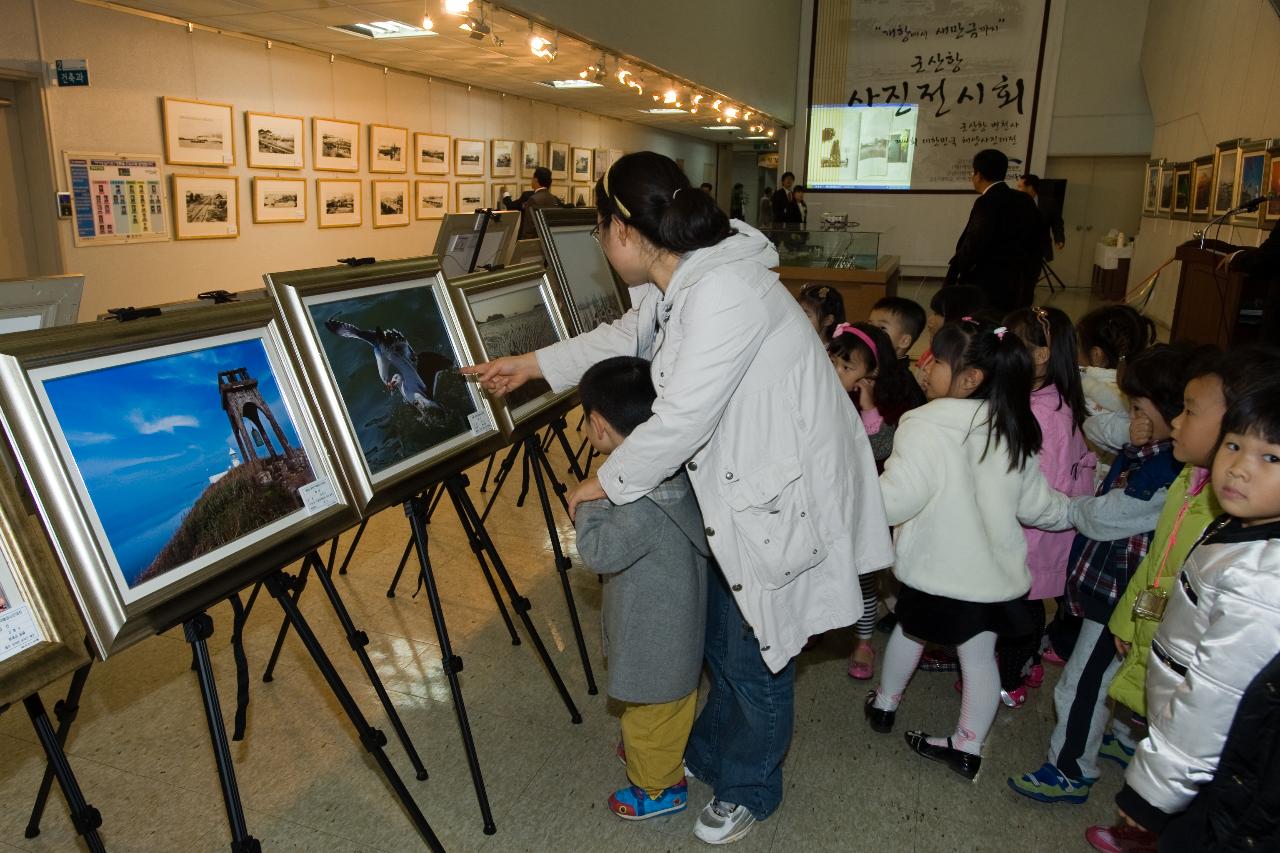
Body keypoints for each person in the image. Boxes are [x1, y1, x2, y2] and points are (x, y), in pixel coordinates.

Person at [464, 151, 893, 845]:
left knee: (761, 655)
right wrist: (533, 364)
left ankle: (752, 785)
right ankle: (714, 751)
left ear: (627, 233)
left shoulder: (723, 289)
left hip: (775, 492)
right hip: (737, 489)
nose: (601, 246)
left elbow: (683, 416)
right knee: (725, 641)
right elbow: (626, 338)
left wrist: (604, 479)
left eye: (601, 230)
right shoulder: (682, 275)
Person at [866, 318, 1072, 782]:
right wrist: (1076, 512)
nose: (926, 368)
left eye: (936, 361)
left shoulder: (923, 423)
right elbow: (1038, 505)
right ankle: (967, 745)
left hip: (935, 571)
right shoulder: (1014, 427)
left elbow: (897, 499)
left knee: (910, 632)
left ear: (970, 376)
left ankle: (884, 703)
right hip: (990, 580)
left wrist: (853, 492)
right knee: (979, 657)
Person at [1086, 379, 1280, 853]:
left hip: (1217, 762)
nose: (1238, 469)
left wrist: (1154, 792)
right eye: (1234, 445)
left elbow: (1212, 696)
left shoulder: (1264, 580)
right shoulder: (1241, 527)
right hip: (1209, 755)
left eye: (1270, 457)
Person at [1009, 344, 1192, 806]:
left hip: (1120, 599)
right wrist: (1136, 425)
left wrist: (1057, 506)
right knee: (1130, 675)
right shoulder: (1155, 443)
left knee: (1081, 684)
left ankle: (1070, 768)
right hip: (1120, 590)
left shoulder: (1163, 474)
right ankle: (1126, 741)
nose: (1131, 417)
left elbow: (1102, 518)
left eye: (1140, 408)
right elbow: (1096, 427)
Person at [572, 356, 709, 822]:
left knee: (651, 715)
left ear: (597, 425)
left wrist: (588, 503)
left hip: (654, 634)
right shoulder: (669, 468)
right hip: (675, 622)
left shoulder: (636, 499)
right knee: (662, 711)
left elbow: (600, 553)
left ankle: (657, 788)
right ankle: (654, 754)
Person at [1101, 349, 1229, 773]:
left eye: (1189, 412)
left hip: (1185, 650)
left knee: (1176, 736)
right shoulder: (1188, 480)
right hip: (1151, 628)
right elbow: (1157, 562)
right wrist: (1128, 620)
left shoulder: (1223, 510)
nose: (1176, 421)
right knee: (1155, 721)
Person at [992, 306, 1097, 707]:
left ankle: (1011, 677)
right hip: (1036, 530)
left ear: (1039, 356)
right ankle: (1028, 662)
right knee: (1023, 602)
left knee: (1021, 608)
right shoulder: (1043, 400)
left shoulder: (1042, 414)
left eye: (1011, 340)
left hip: (1035, 534)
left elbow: (1039, 492)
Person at [827, 321, 925, 680]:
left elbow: (877, 451)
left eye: (847, 367)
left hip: (866, 508)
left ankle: (863, 641)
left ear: (873, 372)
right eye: (833, 361)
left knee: (864, 576)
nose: (836, 372)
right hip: (829, 503)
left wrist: (868, 407)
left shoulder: (889, 405)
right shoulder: (823, 392)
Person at [944, 149, 1044, 311]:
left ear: (978, 175)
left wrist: (956, 272)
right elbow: (1036, 241)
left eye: (973, 173)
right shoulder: (1025, 199)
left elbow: (974, 241)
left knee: (986, 326)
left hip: (989, 284)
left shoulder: (986, 202)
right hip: (1019, 282)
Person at [506, 166, 564, 239]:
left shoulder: (533, 199)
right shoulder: (554, 199)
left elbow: (529, 227)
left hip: (534, 242)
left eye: (532, 178)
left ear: (536, 180)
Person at [1019, 173, 1066, 261]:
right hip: (1020, 250)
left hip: (1040, 250)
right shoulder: (1016, 203)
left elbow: (1057, 222)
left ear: (1030, 187)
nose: (1018, 190)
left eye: (1020, 187)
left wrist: (1059, 238)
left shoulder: (1049, 203)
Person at [868, 296, 927, 364]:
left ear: (904, 341)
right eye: (870, 325)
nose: (871, 331)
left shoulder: (896, 373)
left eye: (882, 328)